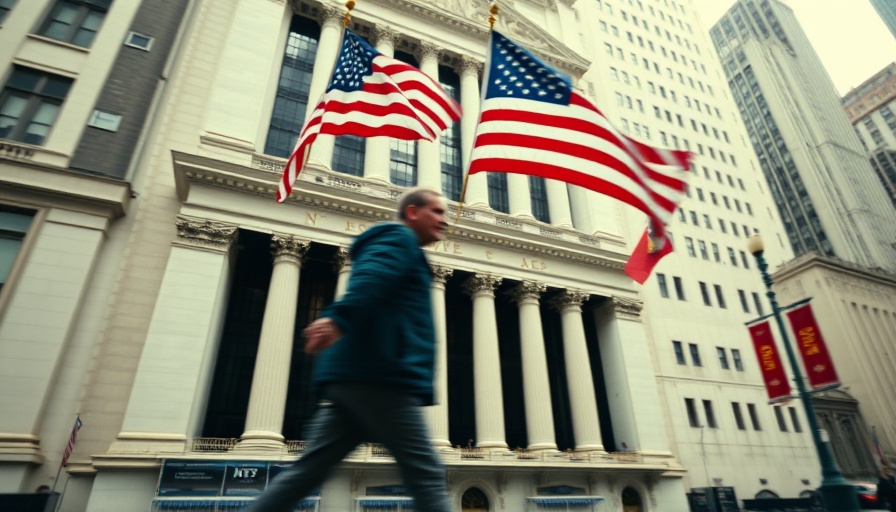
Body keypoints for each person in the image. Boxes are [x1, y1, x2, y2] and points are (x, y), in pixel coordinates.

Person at [248, 188, 451, 512]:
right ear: (413, 212)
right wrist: (339, 319)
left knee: (306, 472)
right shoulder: (398, 239)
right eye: (437, 212)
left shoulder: (401, 245)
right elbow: (374, 278)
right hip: (383, 376)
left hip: (353, 380)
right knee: (427, 473)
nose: (444, 221)